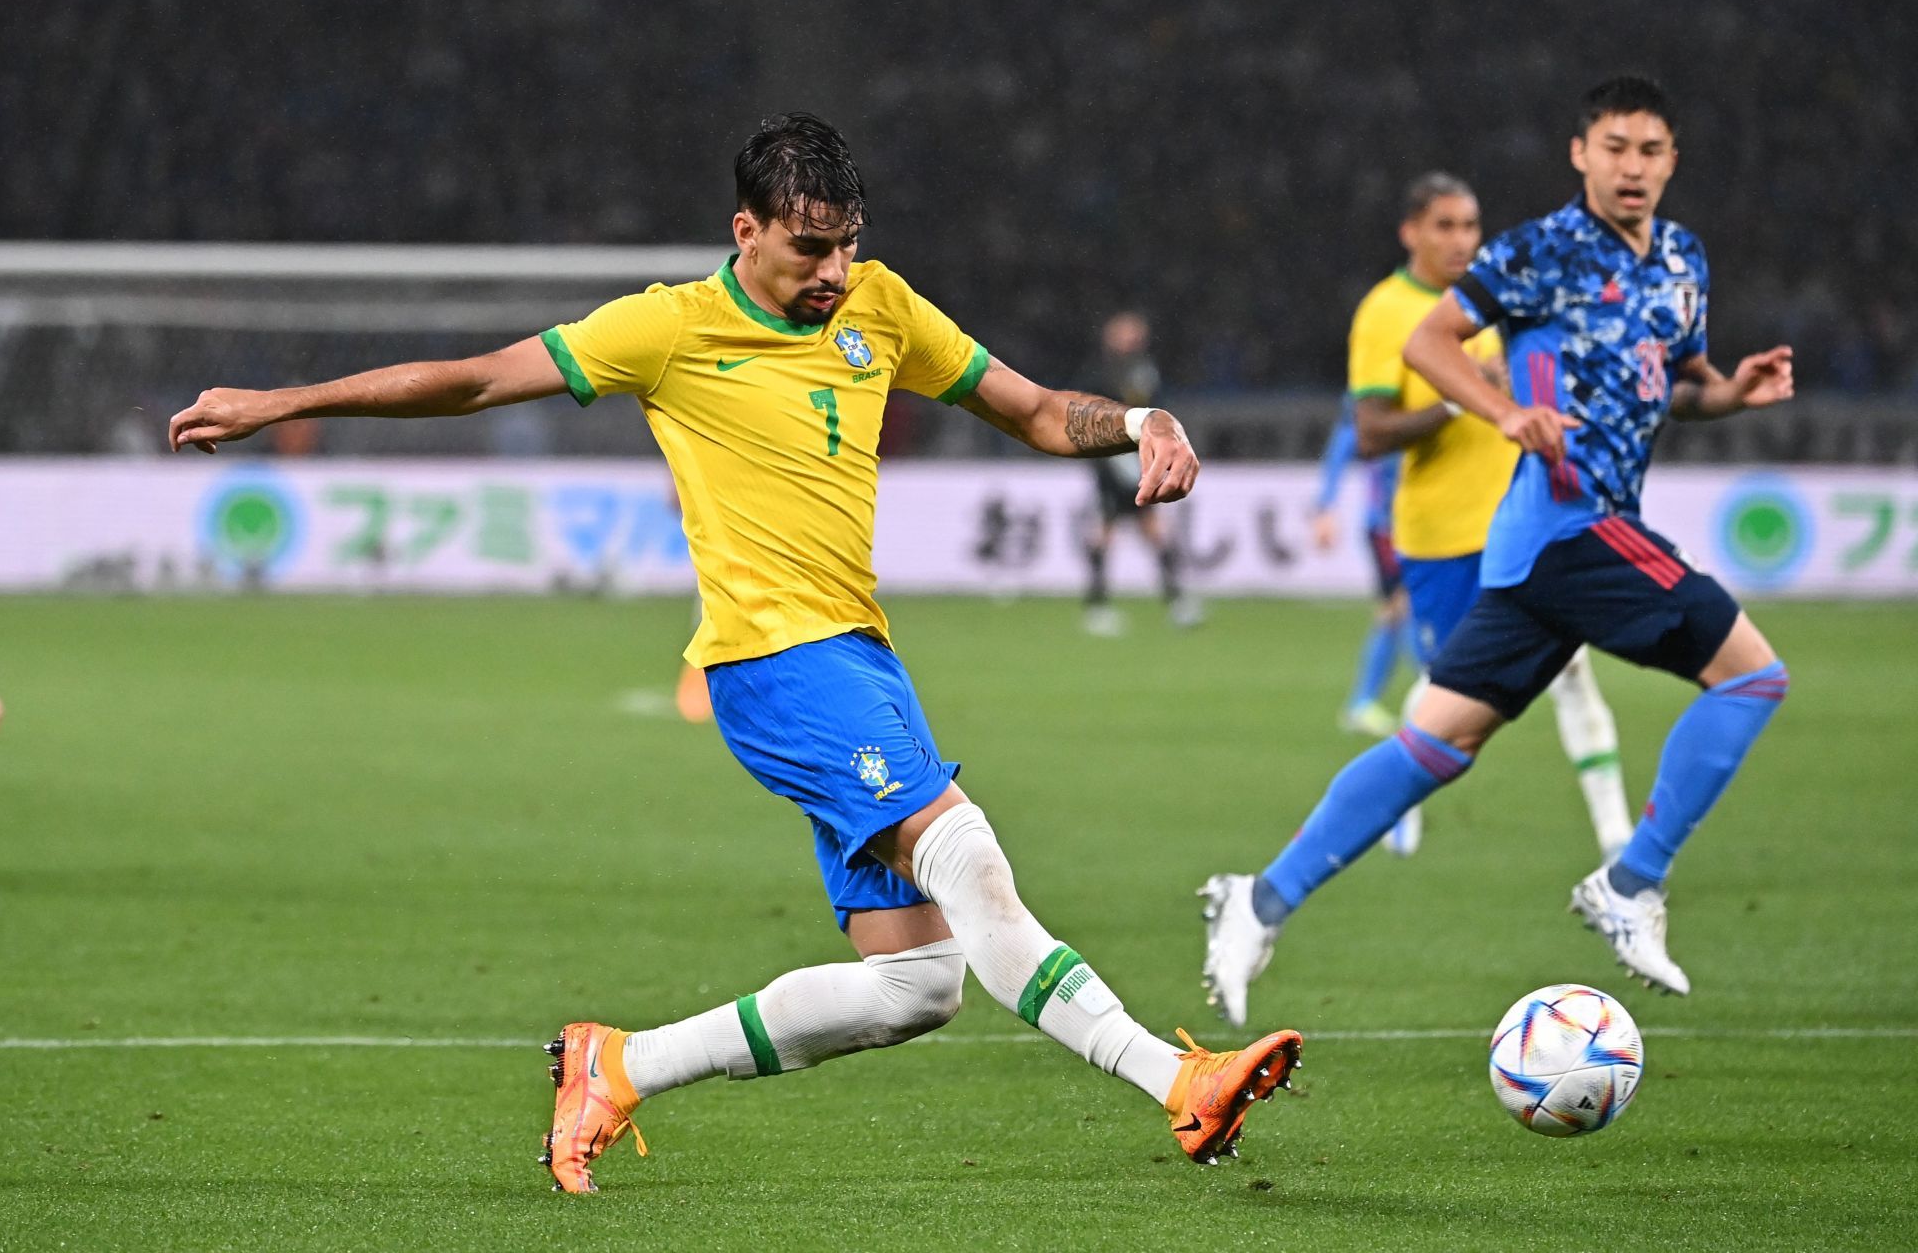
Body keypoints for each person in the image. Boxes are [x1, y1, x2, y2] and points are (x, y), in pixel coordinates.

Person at [169, 113, 1303, 1193]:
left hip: (860, 657)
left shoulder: (883, 309)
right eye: (811, 248)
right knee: (969, 855)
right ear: (745, 231)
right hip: (771, 662)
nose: (835, 271)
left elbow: (1044, 411)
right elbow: (473, 380)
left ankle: (619, 1066)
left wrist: (1139, 424)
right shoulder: (663, 328)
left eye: (849, 246)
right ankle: (1176, 1076)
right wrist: (283, 401)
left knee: (917, 983)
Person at [1200, 77, 1793, 1024]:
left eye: (1649, 150)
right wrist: (1507, 411)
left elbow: (1677, 384)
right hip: (1572, 525)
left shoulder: (1683, 261)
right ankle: (1631, 883)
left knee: (1436, 743)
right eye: (1613, 147)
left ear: (1672, 159)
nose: (1631, 166)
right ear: (1580, 153)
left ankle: (1257, 900)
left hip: (1535, 554)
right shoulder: (1538, 251)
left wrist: (1731, 395)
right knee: (1753, 677)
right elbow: (1435, 344)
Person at [1342, 172, 1635, 860]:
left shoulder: (1492, 301)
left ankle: (1620, 838)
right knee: (1449, 689)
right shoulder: (1386, 312)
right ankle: (1394, 800)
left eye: (1470, 226)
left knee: (1572, 669)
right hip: (1439, 534)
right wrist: (1457, 396)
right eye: (1444, 226)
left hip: (1523, 523)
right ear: (1410, 232)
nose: (1460, 240)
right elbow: (1369, 433)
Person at [1079, 312, 1202, 635]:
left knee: (1153, 530)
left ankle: (1177, 601)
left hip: (1137, 459)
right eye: (1126, 332)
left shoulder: (1144, 368)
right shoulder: (1100, 371)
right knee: (1105, 531)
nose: (1133, 338)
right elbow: (1090, 413)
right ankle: (1097, 607)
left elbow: (1156, 405)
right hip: (1110, 460)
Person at [1309, 385, 1410, 738]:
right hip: (1388, 525)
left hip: (1429, 520)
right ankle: (1364, 702)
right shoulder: (1374, 384)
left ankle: (1370, 702)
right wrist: (1324, 506)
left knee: (1407, 608)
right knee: (1399, 607)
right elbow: (1343, 443)